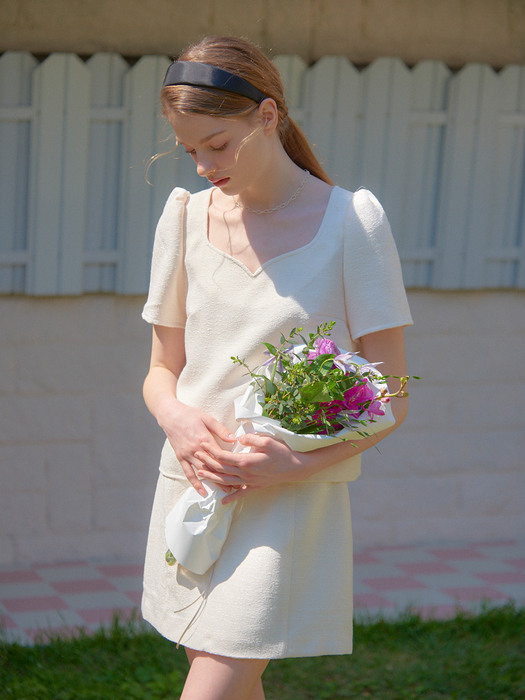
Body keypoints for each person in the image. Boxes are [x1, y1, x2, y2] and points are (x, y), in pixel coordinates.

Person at [141, 35, 413, 700]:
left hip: (285, 500)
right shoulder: (182, 218)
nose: (204, 165)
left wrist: (289, 465)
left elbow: (391, 393)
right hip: (193, 488)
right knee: (230, 679)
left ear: (267, 116)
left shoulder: (352, 222)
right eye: (191, 150)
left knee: (211, 686)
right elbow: (159, 370)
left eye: (217, 144)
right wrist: (176, 420)